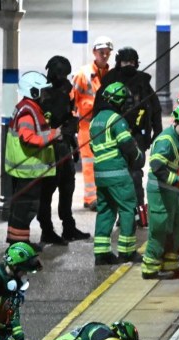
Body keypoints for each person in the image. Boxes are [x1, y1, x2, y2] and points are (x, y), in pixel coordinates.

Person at [97, 46, 163, 227]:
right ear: (119, 62)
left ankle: (139, 213)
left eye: (132, 62)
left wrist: (157, 133)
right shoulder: (109, 81)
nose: (128, 65)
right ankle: (122, 214)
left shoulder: (142, 82)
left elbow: (155, 109)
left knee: (135, 176)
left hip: (137, 137)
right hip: (113, 138)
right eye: (125, 62)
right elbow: (98, 110)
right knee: (118, 178)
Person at [141, 103, 179, 279]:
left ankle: (171, 265)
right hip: (160, 192)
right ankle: (150, 268)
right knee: (160, 228)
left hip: (172, 191)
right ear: (176, 122)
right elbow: (157, 166)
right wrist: (178, 181)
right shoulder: (166, 140)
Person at [90, 82, 144, 265]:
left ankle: (102, 254)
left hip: (100, 174)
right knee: (128, 209)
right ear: (118, 101)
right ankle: (127, 252)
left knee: (105, 210)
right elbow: (127, 144)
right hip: (117, 173)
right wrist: (138, 157)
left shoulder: (95, 120)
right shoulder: (116, 119)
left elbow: (93, 147)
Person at [5, 71, 60, 249]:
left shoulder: (27, 107)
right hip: (28, 170)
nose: (45, 95)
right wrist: (53, 135)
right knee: (26, 207)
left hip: (25, 170)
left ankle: (17, 242)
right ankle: (20, 245)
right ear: (33, 92)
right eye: (42, 91)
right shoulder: (28, 112)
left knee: (20, 207)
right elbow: (28, 138)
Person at [39, 55, 90, 244]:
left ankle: (68, 227)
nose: (64, 79)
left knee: (67, 187)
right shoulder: (42, 92)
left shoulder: (67, 90)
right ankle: (47, 230)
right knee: (47, 191)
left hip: (65, 146)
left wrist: (72, 138)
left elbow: (71, 114)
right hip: (50, 149)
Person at [72, 35, 113, 211]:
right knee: (89, 163)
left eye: (107, 52)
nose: (104, 55)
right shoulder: (84, 75)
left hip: (104, 127)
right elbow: (72, 99)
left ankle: (99, 196)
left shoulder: (110, 75)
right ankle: (91, 198)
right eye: (101, 52)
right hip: (86, 126)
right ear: (94, 52)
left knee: (102, 161)